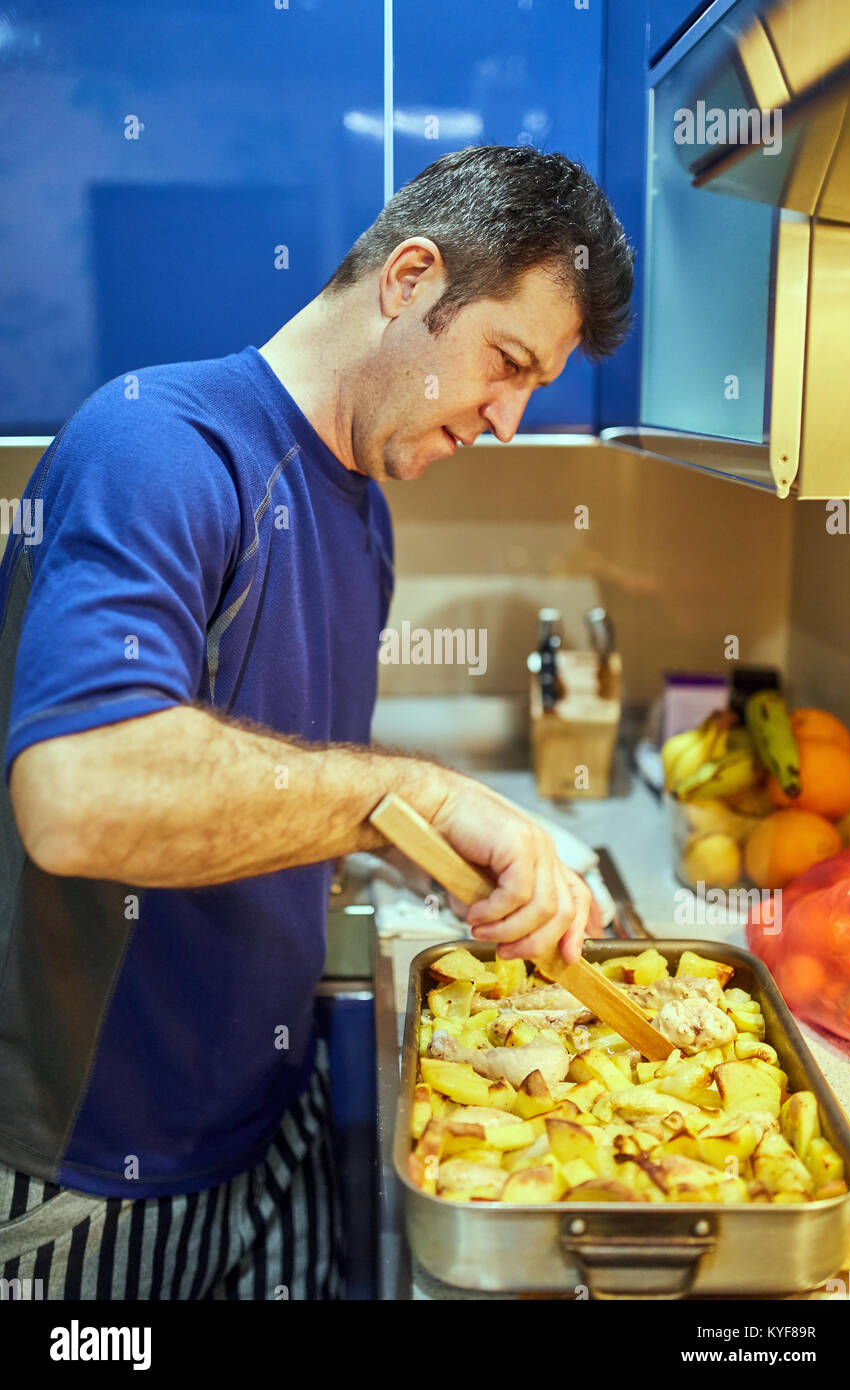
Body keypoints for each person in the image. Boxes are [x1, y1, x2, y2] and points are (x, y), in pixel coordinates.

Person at [0, 145, 633, 1300]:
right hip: (94, 1171)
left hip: (263, 1123)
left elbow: (280, 793)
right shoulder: (160, 448)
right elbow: (77, 798)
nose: (503, 420)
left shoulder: (361, 515)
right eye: (505, 362)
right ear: (408, 279)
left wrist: (426, 852)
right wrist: (427, 793)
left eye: (532, 387)